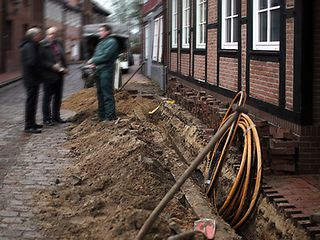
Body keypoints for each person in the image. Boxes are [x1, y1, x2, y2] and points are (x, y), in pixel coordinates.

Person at [88, 24, 120, 121]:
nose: (99, 33)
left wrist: (93, 60)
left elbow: (106, 56)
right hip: (98, 71)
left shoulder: (112, 42)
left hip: (106, 71)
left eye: (101, 31)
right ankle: (102, 115)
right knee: (100, 94)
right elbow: (99, 56)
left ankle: (110, 116)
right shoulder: (101, 43)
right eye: (99, 31)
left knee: (107, 94)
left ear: (107, 31)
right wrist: (94, 65)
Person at [40, 26, 68, 126]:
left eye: (55, 34)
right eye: (51, 34)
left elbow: (62, 56)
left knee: (58, 97)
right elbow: (41, 61)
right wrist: (52, 66)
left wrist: (65, 67)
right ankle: (46, 118)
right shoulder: (42, 44)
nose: (53, 36)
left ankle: (56, 116)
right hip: (48, 75)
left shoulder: (58, 43)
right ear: (47, 34)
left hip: (59, 74)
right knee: (47, 97)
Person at [20, 27, 43, 134]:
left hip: (32, 78)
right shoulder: (30, 46)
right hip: (31, 79)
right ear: (34, 36)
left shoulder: (32, 45)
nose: (40, 36)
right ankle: (29, 126)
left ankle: (32, 122)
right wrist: (40, 73)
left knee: (33, 102)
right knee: (31, 103)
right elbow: (31, 63)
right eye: (39, 35)